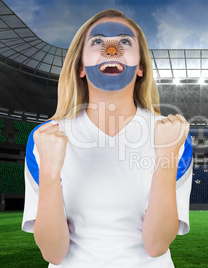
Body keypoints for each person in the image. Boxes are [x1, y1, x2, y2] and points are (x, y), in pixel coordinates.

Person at [22, 9, 193, 267]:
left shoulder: (173, 134)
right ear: (80, 66)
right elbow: (53, 253)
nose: (111, 50)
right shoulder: (45, 137)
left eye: (125, 41)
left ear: (141, 67)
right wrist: (50, 173)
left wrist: (166, 156)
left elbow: (156, 245)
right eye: (97, 42)